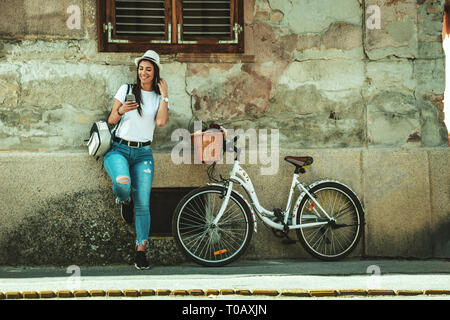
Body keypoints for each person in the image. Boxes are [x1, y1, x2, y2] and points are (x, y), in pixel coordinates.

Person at [104, 50, 169, 270]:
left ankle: (141, 250)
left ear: (155, 72)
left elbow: (160, 123)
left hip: (143, 155)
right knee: (123, 185)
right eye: (141, 69)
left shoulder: (159, 98)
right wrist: (121, 109)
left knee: (143, 204)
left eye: (148, 69)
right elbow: (111, 120)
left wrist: (165, 95)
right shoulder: (127, 89)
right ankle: (125, 201)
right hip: (119, 150)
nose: (143, 73)